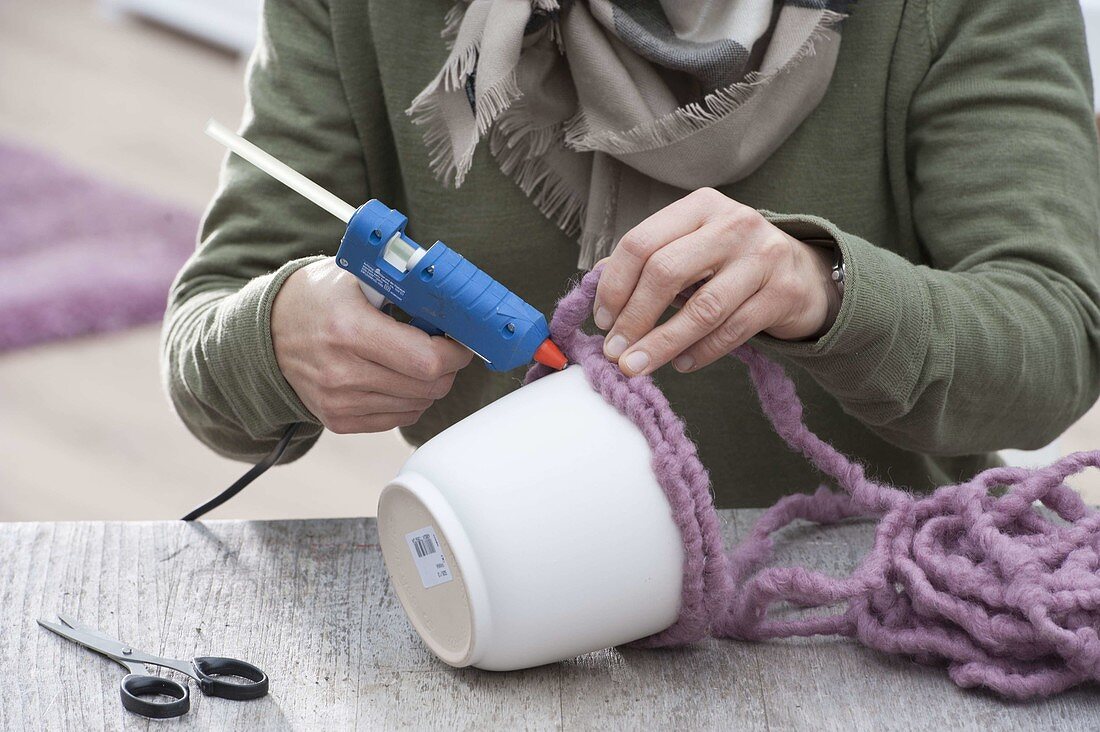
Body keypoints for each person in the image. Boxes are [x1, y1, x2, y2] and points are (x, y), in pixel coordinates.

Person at [162, 0, 1100, 508]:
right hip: (503, 594)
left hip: (871, 604)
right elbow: (210, 353)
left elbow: (1054, 343)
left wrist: (828, 289)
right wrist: (279, 337)